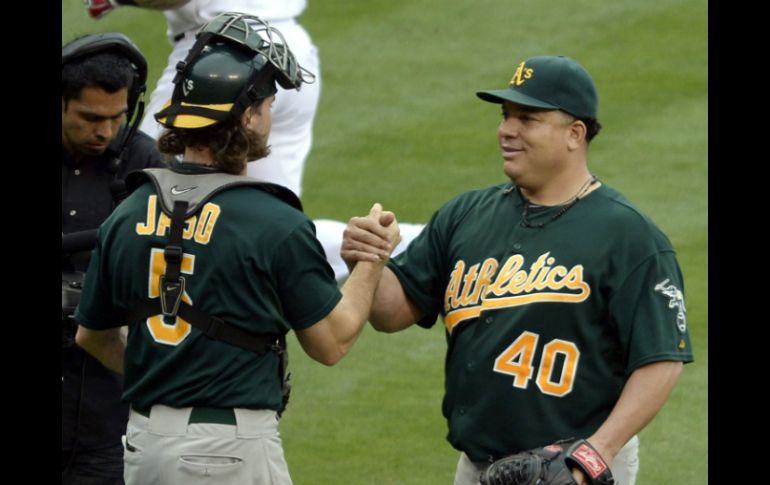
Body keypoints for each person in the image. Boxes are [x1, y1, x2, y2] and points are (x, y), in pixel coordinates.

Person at [73, 13, 400, 485]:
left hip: (145, 446)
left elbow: (92, 336)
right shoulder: (273, 221)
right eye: (267, 105)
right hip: (226, 451)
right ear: (247, 117)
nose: (269, 117)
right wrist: (371, 258)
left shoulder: (127, 213)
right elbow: (332, 342)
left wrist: (165, 377)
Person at [341, 55, 693, 485]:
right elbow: (393, 312)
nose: (507, 130)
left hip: (574, 469)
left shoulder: (628, 236)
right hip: (475, 465)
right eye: (505, 116)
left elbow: (661, 360)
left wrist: (595, 455)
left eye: (527, 119)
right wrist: (369, 262)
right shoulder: (466, 214)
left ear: (575, 134)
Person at [83, 0, 425, 280]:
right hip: (288, 51)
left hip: (219, 60)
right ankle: (421, 244)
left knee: (137, 194)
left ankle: (101, 307)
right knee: (271, 228)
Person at [62, 32, 165, 485]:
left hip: (108, 421)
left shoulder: (144, 161)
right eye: (89, 117)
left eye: (116, 117)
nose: (104, 132)